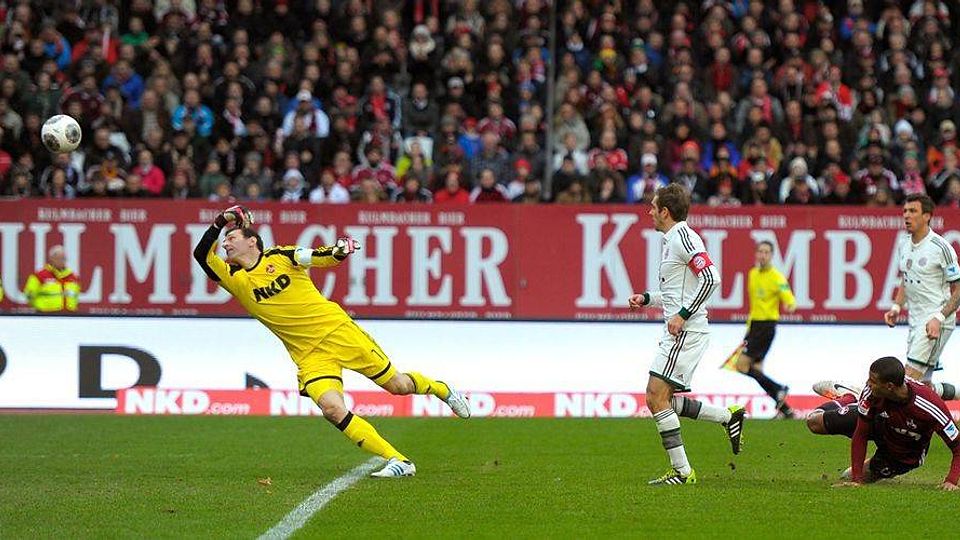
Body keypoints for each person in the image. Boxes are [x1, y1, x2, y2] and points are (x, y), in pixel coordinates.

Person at [193, 206, 470, 478]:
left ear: (252, 241)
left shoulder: (280, 256)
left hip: (338, 332)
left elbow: (315, 256)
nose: (225, 243)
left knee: (397, 386)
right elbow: (201, 254)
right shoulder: (233, 278)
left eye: (232, 238)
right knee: (333, 409)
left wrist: (337, 251)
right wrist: (221, 221)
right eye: (225, 239)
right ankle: (397, 460)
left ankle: (441, 389)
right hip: (309, 356)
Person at [628, 184, 744, 485]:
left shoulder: (682, 238)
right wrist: (647, 298)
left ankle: (682, 472)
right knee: (660, 399)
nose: (649, 211)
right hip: (682, 330)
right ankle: (726, 417)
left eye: (653, 207)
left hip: (687, 331)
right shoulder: (673, 241)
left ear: (665, 212)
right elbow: (676, 292)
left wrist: (683, 315)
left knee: (655, 396)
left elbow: (710, 278)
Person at [807, 357, 959, 490]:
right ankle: (848, 397)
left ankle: (854, 398)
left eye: (872, 381)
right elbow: (860, 434)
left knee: (846, 476)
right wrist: (857, 480)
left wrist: (951, 481)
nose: (867, 383)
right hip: (878, 421)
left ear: (889, 386)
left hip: (904, 450)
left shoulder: (930, 407)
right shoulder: (871, 393)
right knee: (813, 422)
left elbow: (958, 446)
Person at [883, 194, 960, 399]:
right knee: (922, 389)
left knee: (905, 382)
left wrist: (939, 318)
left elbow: (958, 290)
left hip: (935, 321)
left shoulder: (941, 247)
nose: (907, 216)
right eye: (905, 212)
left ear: (927, 216)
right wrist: (896, 307)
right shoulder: (904, 244)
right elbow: (906, 279)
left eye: (913, 211)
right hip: (915, 321)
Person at [721, 241, 797, 418]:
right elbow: (754, 305)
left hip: (766, 326)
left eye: (766, 252)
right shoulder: (753, 274)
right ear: (756, 254)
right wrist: (748, 330)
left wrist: (790, 304)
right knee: (756, 370)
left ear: (771, 256)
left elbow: (789, 298)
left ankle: (779, 388)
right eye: (760, 251)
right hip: (754, 326)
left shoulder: (777, 277)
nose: (763, 255)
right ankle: (786, 410)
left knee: (741, 365)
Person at [23, 245, 80, 312]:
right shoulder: (39, 276)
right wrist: (39, 308)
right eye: (58, 258)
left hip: (69, 316)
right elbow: (29, 295)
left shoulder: (73, 277)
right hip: (46, 315)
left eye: (63, 258)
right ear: (51, 259)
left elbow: (76, 297)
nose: (61, 261)